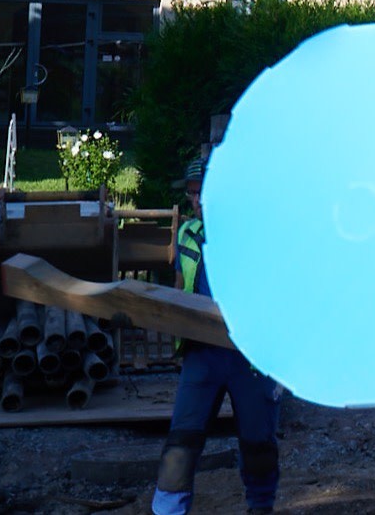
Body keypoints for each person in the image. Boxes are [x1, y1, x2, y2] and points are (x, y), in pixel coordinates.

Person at [153, 155, 282, 515]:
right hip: (203, 354)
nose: (196, 201)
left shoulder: (256, 237)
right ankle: (167, 510)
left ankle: (261, 507)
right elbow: (181, 286)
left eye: (203, 193)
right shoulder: (188, 234)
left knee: (258, 443)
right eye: (192, 194)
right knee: (182, 442)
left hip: (250, 358)